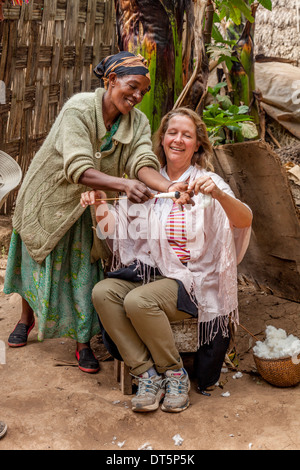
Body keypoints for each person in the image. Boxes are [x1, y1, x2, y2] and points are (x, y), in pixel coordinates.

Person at [3, 52, 190, 374]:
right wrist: (123, 183)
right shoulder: (78, 109)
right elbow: (78, 166)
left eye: (143, 92)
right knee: (37, 262)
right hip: (50, 197)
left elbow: (142, 160)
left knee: (85, 273)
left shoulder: (139, 122)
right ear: (110, 81)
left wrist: (171, 188)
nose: (137, 96)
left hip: (91, 206)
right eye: (132, 86)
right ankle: (26, 318)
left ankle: (82, 343)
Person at [80, 107, 252, 412]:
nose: (178, 139)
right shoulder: (148, 182)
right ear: (162, 140)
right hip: (152, 275)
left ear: (197, 144)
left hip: (192, 281)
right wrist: (97, 202)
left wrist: (222, 196)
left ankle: (175, 374)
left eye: (187, 135)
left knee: (138, 301)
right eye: (172, 133)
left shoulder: (207, 182)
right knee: (103, 293)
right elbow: (114, 233)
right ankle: (146, 374)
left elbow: (244, 220)